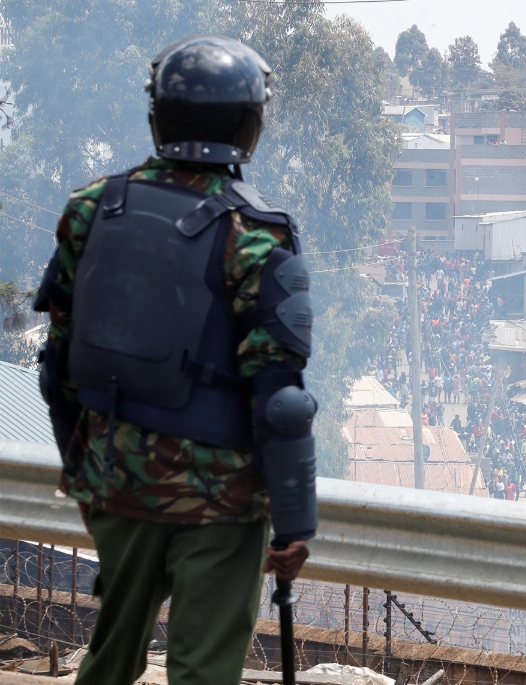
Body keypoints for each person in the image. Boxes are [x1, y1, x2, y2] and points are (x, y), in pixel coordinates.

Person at [34, 36, 318, 685]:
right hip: (223, 502)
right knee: (203, 671)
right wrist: (294, 524)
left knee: (109, 659)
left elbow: (57, 367)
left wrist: (86, 470)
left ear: (159, 114)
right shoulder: (258, 236)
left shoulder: (93, 207)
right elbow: (282, 397)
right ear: (248, 122)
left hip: (117, 478)